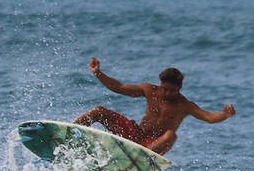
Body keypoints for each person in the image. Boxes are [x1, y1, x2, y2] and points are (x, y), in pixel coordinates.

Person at [74, 57, 236, 155]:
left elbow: (208, 117)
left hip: (153, 146)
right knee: (99, 111)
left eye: (171, 90)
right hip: (136, 135)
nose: (166, 93)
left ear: (179, 88)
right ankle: (71, 133)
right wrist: (98, 73)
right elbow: (119, 87)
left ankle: (141, 156)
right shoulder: (150, 90)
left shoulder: (184, 105)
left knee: (171, 135)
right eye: (164, 88)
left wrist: (226, 115)